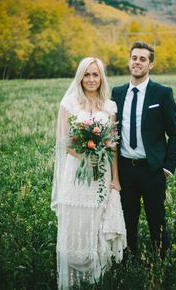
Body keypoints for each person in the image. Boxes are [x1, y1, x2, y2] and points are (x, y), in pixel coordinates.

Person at [51, 57, 126, 289]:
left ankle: (97, 279)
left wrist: (115, 179)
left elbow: (112, 145)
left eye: (96, 75)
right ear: (80, 77)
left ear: (101, 77)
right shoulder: (70, 104)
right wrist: (88, 157)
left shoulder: (109, 106)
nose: (91, 79)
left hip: (102, 175)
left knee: (97, 224)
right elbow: (66, 143)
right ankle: (73, 280)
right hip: (77, 175)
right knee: (76, 225)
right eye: (87, 74)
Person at [112, 41, 176, 259]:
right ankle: (129, 262)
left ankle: (161, 263)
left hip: (152, 169)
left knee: (156, 220)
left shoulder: (161, 93)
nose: (137, 62)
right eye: (134, 58)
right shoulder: (118, 92)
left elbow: (175, 134)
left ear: (150, 64)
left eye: (143, 59)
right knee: (127, 220)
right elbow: (113, 131)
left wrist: (167, 168)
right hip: (125, 169)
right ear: (129, 61)